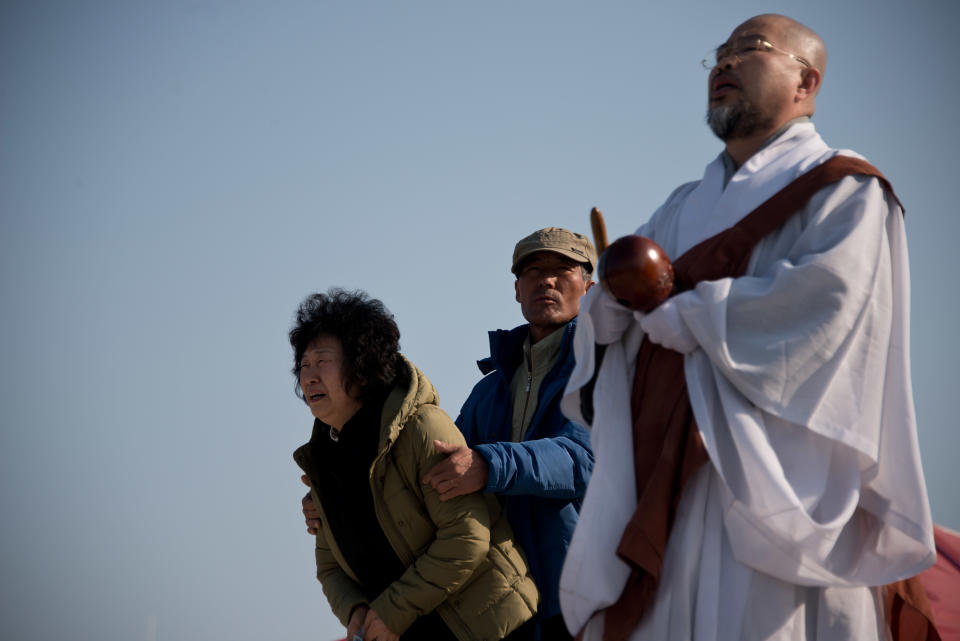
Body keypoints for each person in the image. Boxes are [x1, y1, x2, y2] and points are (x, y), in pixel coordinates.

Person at [558, 14, 938, 641]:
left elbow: (830, 306)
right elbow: (618, 321)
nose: (724, 64)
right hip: (672, 479)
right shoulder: (681, 206)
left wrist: (695, 314)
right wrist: (610, 312)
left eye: (749, 50)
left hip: (779, 480)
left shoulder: (843, 190)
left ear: (806, 81)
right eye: (719, 54)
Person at [290, 289, 538, 641]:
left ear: (361, 367)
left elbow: (467, 538)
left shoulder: (421, 428)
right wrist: (357, 611)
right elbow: (329, 564)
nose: (309, 376)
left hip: (487, 627)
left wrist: (392, 611)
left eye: (322, 361)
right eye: (304, 365)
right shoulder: (323, 457)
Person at [421, 227, 597, 641]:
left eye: (563, 270)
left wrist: (488, 464)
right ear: (517, 289)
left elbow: (584, 459)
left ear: (590, 287)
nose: (547, 280)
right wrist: (339, 501)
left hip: (586, 596)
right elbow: (440, 474)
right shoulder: (489, 390)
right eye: (533, 270)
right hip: (503, 601)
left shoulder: (603, 365)